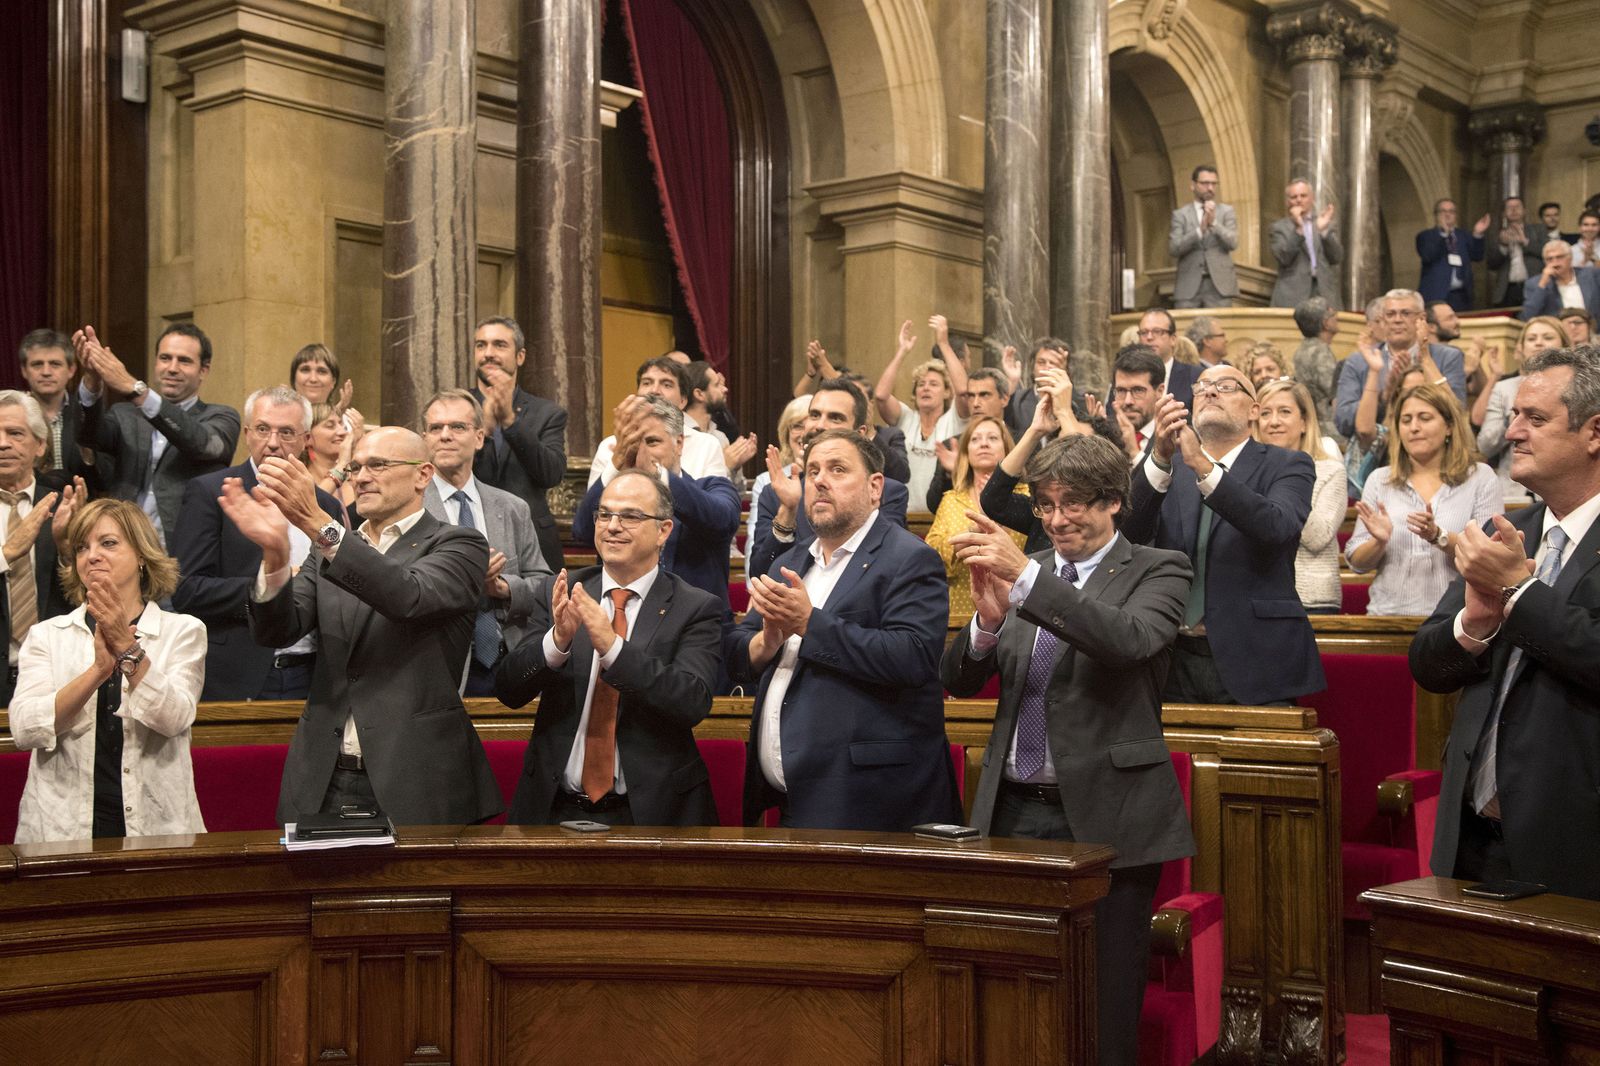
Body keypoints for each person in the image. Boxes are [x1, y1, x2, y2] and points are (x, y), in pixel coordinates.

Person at [942, 432, 1194, 1066]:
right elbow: (957, 679)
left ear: (1114, 503)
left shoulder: (1159, 568)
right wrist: (989, 623)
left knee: (1105, 998)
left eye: (1073, 504)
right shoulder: (1028, 575)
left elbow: (1128, 640)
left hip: (1110, 816)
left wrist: (1026, 578)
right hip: (1014, 809)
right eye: (1046, 504)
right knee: (1014, 982)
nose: (1056, 520)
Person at [223, 426, 502, 825]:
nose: (362, 476)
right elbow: (276, 632)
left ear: (423, 475)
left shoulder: (459, 544)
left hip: (416, 773)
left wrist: (320, 525)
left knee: (417, 889)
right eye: (356, 467)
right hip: (324, 774)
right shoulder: (332, 551)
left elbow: (409, 596)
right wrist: (275, 555)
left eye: (378, 465)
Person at [1412, 346, 1600, 900]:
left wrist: (1520, 591)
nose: (1512, 432)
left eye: (1535, 419)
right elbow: (1427, 664)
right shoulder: (1505, 530)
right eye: (1514, 415)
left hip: (1575, 847)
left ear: (1595, 433)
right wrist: (1474, 622)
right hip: (1468, 839)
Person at [729, 429, 959, 831]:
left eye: (837, 469)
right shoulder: (793, 560)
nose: (819, 480)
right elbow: (737, 647)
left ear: (875, 488)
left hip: (869, 800)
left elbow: (912, 656)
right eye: (812, 470)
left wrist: (809, 623)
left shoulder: (909, 558)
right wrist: (766, 641)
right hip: (787, 799)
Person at [494, 471, 724, 827]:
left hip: (651, 812)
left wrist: (613, 648)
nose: (612, 526)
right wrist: (557, 642)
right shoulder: (562, 590)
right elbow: (509, 689)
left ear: (663, 530)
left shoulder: (695, 607)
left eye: (630, 516)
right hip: (554, 808)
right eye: (604, 514)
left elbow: (691, 701)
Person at [1124, 364, 1324, 705]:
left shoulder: (1288, 464)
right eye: (1201, 387)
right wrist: (1158, 456)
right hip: (1171, 656)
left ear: (1254, 411)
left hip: (1257, 656)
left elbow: (1276, 527)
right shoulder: (1169, 467)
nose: (1210, 392)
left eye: (1227, 386)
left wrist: (1203, 467)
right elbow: (1128, 535)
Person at [10, 499, 206, 843]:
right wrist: (98, 671)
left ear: (143, 555)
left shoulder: (184, 631)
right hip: (60, 826)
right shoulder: (47, 635)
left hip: (156, 825)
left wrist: (127, 649)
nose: (92, 555)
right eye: (82, 547)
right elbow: (25, 729)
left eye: (108, 543)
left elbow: (174, 718)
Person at [170, 386, 346, 701]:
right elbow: (186, 590)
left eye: (287, 432)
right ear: (248, 434)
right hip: (239, 671)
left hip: (314, 673)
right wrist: (272, 587)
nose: (273, 443)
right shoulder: (212, 493)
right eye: (263, 429)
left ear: (306, 440)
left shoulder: (325, 506)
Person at [420, 389, 551, 697]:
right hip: (438, 665)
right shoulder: (411, 506)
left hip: (509, 661)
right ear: (424, 439)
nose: (445, 436)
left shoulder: (512, 507)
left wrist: (504, 588)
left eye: (458, 427)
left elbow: (543, 585)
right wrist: (467, 581)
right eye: (436, 428)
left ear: (479, 438)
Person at [71, 323, 241, 549]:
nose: (172, 368)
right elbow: (88, 436)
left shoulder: (221, 417)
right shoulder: (125, 414)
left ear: (204, 370)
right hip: (121, 546)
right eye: (165, 358)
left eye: (184, 360)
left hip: (182, 554)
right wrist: (92, 380)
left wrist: (136, 389)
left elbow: (201, 444)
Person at [572, 397, 740, 622]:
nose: (639, 452)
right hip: (623, 623)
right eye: (631, 442)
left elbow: (722, 520)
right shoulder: (616, 498)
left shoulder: (711, 488)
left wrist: (656, 473)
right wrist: (616, 463)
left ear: (679, 443)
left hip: (694, 630)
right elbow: (582, 530)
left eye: (652, 442)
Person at [1347, 382, 1502, 616]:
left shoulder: (1480, 477)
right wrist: (1378, 542)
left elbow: (1489, 557)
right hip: (1387, 616)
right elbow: (1357, 563)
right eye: (1406, 420)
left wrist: (1437, 536)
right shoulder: (1380, 479)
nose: (1414, 427)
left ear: (1449, 426)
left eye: (1425, 418)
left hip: (1456, 619)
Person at [747, 379, 911, 580]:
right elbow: (760, 574)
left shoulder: (887, 492)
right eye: (814, 415)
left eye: (835, 418)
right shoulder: (776, 493)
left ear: (860, 434)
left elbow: (885, 567)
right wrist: (787, 512)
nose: (819, 425)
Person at [471, 315, 569, 573]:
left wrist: (510, 423)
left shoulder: (548, 413)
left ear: (520, 356)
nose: (488, 353)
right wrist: (485, 432)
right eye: (481, 345)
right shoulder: (456, 407)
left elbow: (551, 473)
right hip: (469, 532)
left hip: (531, 541)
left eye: (499, 345)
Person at [0, 391, 79, 708]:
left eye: (15, 434)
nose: (3, 443)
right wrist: (5, 555)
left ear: (41, 445)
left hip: (55, 675)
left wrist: (66, 551)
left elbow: (92, 598)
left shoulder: (66, 506)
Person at [1255, 380, 1344, 613]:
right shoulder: (1248, 471)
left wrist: (1285, 487)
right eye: (1265, 413)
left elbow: (1317, 538)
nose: (1274, 421)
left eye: (1284, 412)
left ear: (1304, 422)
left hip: (1313, 599)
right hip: (1258, 594)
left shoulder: (1329, 469)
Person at [926, 416, 1026, 619]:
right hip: (961, 611)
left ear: (1008, 449)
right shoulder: (951, 499)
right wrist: (971, 534)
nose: (984, 443)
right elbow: (930, 552)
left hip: (1019, 612)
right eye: (975, 439)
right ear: (966, 453)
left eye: (992, 438)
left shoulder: (1027, 497)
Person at [1334, 288, 1467, 438]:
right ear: (1383, 321)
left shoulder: (1448, 357)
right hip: (1379, 453)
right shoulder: (1359, 361)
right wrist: (1384, 396)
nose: (1397, 320)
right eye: (1390, 314)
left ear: (1422, 319)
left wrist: (1424, 359)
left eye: (1405, 313)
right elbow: (1343, 422)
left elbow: (1457, 411)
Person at [873, 319, 967, 511]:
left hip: (943, 516)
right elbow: (881, 396)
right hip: (903, 516)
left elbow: (964, 391)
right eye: (921, 384)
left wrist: (944, 345)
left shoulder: (954, 419)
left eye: (933, 384)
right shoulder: (906, 417)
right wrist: (902, 351)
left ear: (947, 392)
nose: (925, 388)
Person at [1474, 316, 1570, 501]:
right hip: (1512, 493)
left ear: (1564, 345)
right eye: (1532, 339)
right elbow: (1484, 446)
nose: (1539, 343)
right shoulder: (1504, 389)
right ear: (1520, 348)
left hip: (1563, 488)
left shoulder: (1578, 389)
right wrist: (1508, 424)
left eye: (1547, 337)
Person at [18, 329, 93, 486]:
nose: (46, 372)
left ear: (71, 370)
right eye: (37, 364)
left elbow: (104, 476)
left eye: (55, 364)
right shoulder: (11, 415)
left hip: (80, 503)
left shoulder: (86, 413)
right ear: (24, 370)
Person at [1169, 164, 1239, 308]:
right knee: (1185, 328)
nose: (1210, 188)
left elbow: (1233, 242)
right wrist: (1198, 232)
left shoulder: (1226, 212)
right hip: (1188, 286)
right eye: (1205, 183)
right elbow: (1174, 248)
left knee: (1220, 328)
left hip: (1220, 286)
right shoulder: (1180, 215)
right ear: (1193, 185)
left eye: (1214, 184)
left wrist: (1214, 223)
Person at [748, 394, 811, 550]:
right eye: (797, 426)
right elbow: (755, 550)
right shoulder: (766, 481)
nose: (804, 434)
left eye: (811, 425)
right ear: (786, 433)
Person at [1269, 179, 1342, 309]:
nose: (1299, 200)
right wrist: (1298, 230)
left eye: (1303, 196)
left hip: (1324, 292)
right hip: (1293, 295)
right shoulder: (1279, 227)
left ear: (1312, 198)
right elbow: (1284, 258)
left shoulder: (1323, 222)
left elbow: (1336, 257)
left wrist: (1324, 231)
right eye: (1294, 197)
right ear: (1288, 202)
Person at [1416, 198, 1490, 311]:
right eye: (1443, 211)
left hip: (1461, 295)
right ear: (1436, 216)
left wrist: (1477, 234)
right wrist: (1444, 235)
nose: (1447, 215)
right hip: (1437, 294)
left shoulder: (1463, 235)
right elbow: (1428, 256)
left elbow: (1477, 256)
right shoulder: (1426, 236)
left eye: (1451, 211)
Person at [1128, 308, 1199, 410]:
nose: (1149, 337)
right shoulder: (1126, 376)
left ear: (1173, 339)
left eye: (1157, 331)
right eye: (1144, 332)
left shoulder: (1194, 376)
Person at [1001, 337, 1075, 435]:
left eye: (1053, 363)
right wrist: (1012, 382)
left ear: (1065, 369)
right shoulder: (1017, 401)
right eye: (1041, 362)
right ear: (1033, 367)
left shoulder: (1075, 402)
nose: (1047, 367)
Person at [1291, 296, 1340, 434]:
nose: (1337, 317)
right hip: (1327, 429)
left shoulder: (1301, 349)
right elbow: (1334, 391)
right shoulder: (1320, 352)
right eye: (1333, 314)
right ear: (1325, 323)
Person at [1487, 196, 1548, 307]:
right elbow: (1492, 264)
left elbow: (1547, 253)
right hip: (1508, 289)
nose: (1514, 210)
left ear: (1524, 211)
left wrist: (1525, 241)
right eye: (1509, 207)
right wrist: (1503, 246)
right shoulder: (1497, 234)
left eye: (1517, 207)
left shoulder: (1538, 230)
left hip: (1533, 284)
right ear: (1504, 213)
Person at [1109, 345, 1167, 462]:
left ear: (1159, 391)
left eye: (1138, 390)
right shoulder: (1107, 437)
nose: (1128, 401)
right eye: (1121, 391)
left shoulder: (1174, 438)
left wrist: (1134, 453)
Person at [1520, 239, 1600, 321]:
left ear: (1570, 258)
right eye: (1549, 259)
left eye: (1559, 257)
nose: (1555, 262)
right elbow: (1527, 316)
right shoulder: (1535, 283)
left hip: (1592, 330)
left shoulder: (1592, 275)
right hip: (1558, 331)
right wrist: (1543, 284)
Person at [304, 400, 360, 515]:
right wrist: (342, 465)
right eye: (330, 426)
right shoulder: (298, 478)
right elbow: (308, 507)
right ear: (307, 437)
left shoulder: (359, 476)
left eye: (342, 425)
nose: (342, 432)